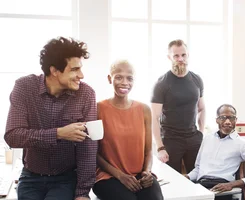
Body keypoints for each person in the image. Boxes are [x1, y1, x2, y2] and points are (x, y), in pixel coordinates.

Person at [4, 37, 97, 200]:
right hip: (30, 177)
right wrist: (58, 134)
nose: (81, 75)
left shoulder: (86, 94)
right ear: (54, 70)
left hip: (65, 179)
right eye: (74, 69)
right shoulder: (24, 88)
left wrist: (83, 192)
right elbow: (13, 136)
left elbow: (88, 148)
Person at [92, 60, 163, 200]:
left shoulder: (144, 110)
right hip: (108, 176)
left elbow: (148, 151)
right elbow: (94, 153)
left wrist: (147, 172)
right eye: (119, 77)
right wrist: (120, 176)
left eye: (129, 78)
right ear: (109, 79)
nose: (125, 82)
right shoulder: (98, 109)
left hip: (139, 175)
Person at [187, 104, 245, 200]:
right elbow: (198, 168)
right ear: (217, 120)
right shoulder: (207, 139)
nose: (228, 122)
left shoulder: (242, 144)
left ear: (236, 120)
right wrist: (187, 177)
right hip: (201, 186)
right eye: (223, 117)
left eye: (231, 118)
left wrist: (232, 184)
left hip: (222, 189)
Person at [151, 39, 206, 174]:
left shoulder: (197, 79)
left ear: (188, 55)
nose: (180, 59)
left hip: (193, 138)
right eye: (176, 55)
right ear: (169, 57)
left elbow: (202, 108)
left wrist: (202, 133)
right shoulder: (161, 83)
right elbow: (154, 117)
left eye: (183, 55)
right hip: (171, 140)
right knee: (172, 181)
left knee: (198, 180)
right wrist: (160, 147)